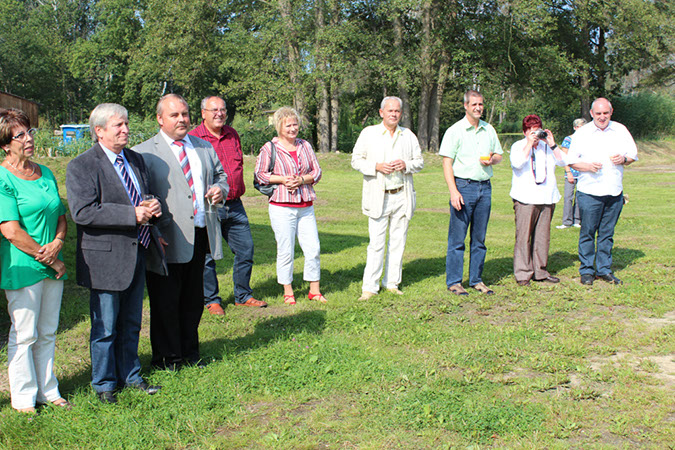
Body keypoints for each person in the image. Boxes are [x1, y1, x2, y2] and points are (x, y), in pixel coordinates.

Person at [66, 103, 163, 404]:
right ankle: (104, 384)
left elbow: (142, 197)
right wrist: (130, 214)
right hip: (105, 259)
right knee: (105, 326)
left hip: (136, 252)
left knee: (132, 322)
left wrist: (153, 207)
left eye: (126, 124)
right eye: (118, 125)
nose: (125, 130)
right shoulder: (82, 165)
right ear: (99, 131)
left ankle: (131, 376)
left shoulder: (134, 159)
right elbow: (83, 212)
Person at [134, 94, 229, 369]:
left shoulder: (203, 147)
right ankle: (167, 358)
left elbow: (221, 176)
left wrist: (219, 189)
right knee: (165, 300)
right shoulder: (143, 153)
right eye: (174, 115)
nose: (181, 119)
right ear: (159, 119)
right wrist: (152, 228)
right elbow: (137, 194)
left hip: (200, 232)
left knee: (192, 299)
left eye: (185, 114)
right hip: (165, 237)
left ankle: (190, 352)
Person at [0, 108, 69, 412]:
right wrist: (50, 259)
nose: (28, 139)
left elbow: (61, 215)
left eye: (30, 132)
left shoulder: (46, 172)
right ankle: (23, 398)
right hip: (24, 266)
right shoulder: (2, 178)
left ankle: (48, 390)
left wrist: (58, 242)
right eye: (20, 135)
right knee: (25, 333)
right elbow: (11, 231)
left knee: (48, 331)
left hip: (53, 261)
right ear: (5, 144)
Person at [189, 96, 265, 314]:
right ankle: (211, 300)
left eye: (222, 109)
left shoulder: (232, 134)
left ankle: (243, 295)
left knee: (246, 249)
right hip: (209, 206)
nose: (219, 113)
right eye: (214, 110)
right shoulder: (193, 139)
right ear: (203, 113)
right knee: (207, 255)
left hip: (235, 204)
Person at [351, 97, 424, 301]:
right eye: (390, 110)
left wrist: (406, 164)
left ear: (401, 113)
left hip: (402, 194)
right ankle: (370, 288)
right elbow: (356, 160)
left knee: (398, 241)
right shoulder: (369, 133)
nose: (394, 114)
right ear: (381, 112)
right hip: (378, 195)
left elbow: (419, 162)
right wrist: (377, 166)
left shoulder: (408, 135)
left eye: (397, 111)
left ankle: (392, 283)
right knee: (376, 243)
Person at [253, 107, 325, 305]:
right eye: (288, 125)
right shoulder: (270, 148)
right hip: (281, 206)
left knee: (313, 248)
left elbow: (317, 172)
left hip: (306, 205)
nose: (293, 129)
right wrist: (283, 179)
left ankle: (314, 290)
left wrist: (301, 180)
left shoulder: (305, 145)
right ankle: (288, 290)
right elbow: (260, 174)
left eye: (295, 124)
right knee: (286, 249)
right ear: (279, 126)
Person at [567, 98, 637, 285]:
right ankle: (587, 271)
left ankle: (604, 269)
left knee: (607, 234)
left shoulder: (620, 130)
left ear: (611, 112)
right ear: (591, 114)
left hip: (614, 191)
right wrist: (588, 166)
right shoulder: (583, 133)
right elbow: (571, 161)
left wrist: (623, 159)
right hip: (589, 192)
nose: (602, 117)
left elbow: (632, 155)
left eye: (605, 113)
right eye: (598, 113)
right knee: (588, 232)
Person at [439, 90, 503, 296]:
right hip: (463, 187)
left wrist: (492, 160)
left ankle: (476, 280)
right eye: (474, 104)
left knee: (479, 239)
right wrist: (453, 191)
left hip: (485, 188)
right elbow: (447, 163)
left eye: (480, 104)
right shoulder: (454, 131)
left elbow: (499, 155)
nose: (478, 108)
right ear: (465, 106)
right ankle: (454, 282)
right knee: (457, 239)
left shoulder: (489, 129)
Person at [510, 115, 567, 286]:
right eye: (531, 131)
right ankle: (523, 274)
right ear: (524, 132)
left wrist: (552, 144)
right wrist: (529, 144)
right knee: (524, 237)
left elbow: (564, 161)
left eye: (537, 130)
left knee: (542, 237)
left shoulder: (547, 146)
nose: (535, 135)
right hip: (526, 198)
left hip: (547, 197)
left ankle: (540, 271)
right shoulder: (518, 146)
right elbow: (517, 163)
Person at [556, 118, 587, 229]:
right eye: (579, 127)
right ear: (575, 127)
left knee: (579, 197)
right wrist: (568, 172)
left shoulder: (586, 140)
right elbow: (564, 158)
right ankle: (566, 221)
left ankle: (577, 220)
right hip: (571, 172)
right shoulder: (568, 140)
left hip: (583, 172)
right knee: (568, 197)